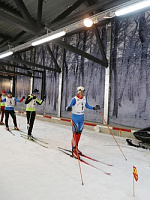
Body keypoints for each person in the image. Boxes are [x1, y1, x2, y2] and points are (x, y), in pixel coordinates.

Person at [66, 86, 100, 159]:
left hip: (82, 118)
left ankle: (76, 148)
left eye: (83, 91)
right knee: (75, 134)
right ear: (78, 92)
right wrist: (68, 108)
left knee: (79, 133)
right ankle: (73, 150)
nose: (83, 93)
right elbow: (68, 106)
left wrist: (94, 108)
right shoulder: (74, 99)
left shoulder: (85, 98)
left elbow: (87, 106)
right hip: (75, 118)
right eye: (81, 92)